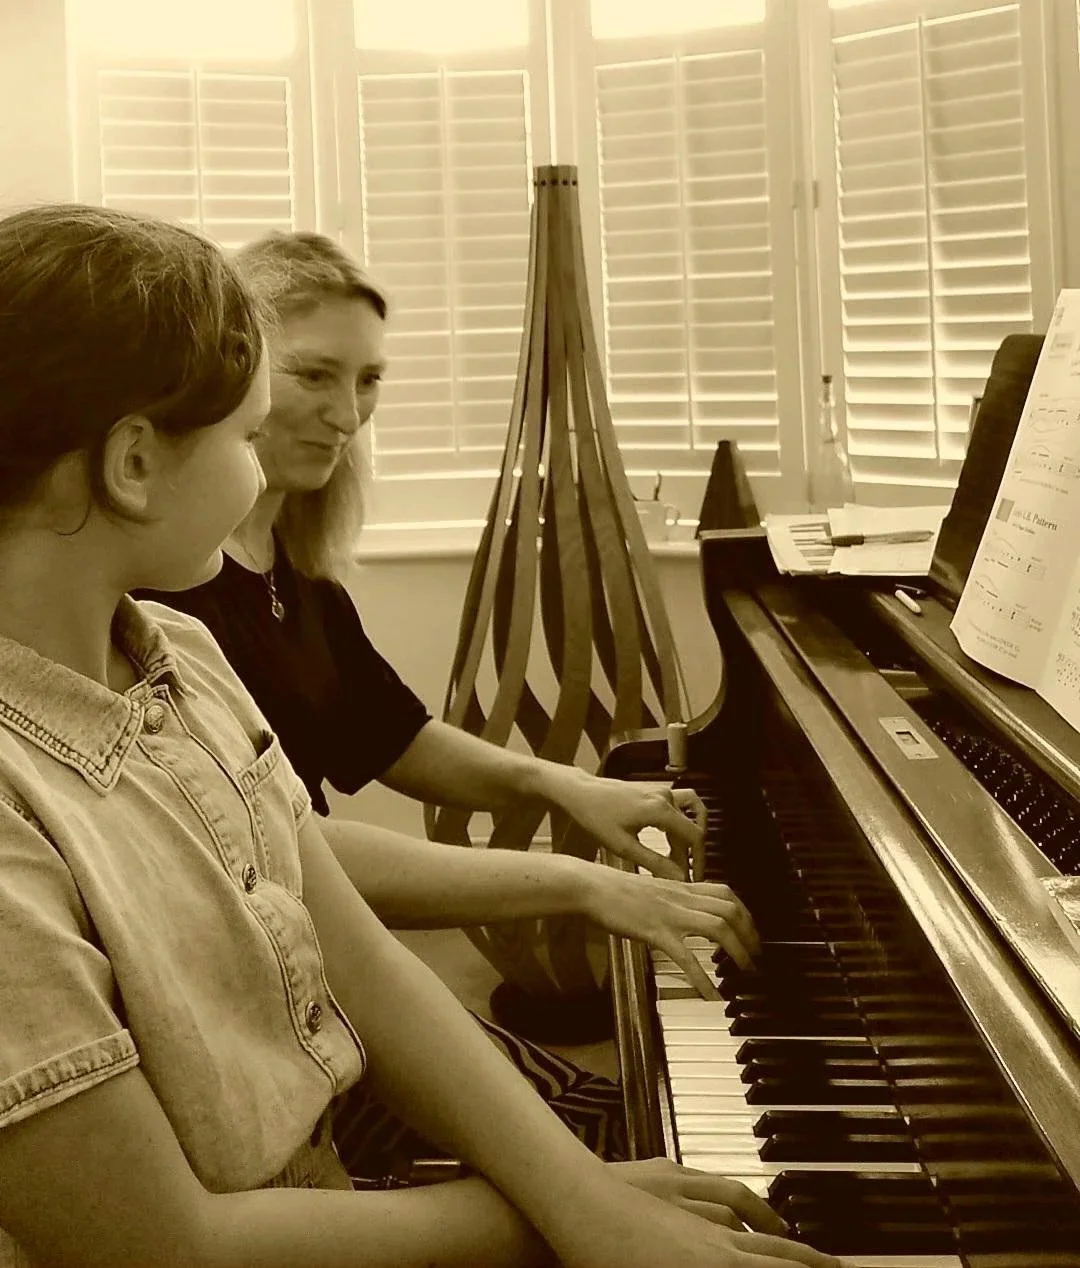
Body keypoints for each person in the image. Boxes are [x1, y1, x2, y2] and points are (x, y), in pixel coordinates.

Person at [0, 202, 838, 1268]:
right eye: (247, 435)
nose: (307, 442)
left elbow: (360, 958)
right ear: (133, 466)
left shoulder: (182, 655)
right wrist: (563, 1214)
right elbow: (166, 1243)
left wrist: (581, 1193)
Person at [136, 229, 759, 1169]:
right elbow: (278, 844)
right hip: (262, 993)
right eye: (314, 375)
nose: (348, 414)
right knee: (604, 1140)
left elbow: (396, 737)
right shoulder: (168, 594)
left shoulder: (297, 572)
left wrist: (564, 787)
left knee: (614, 1120)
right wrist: (581, 883)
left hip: (329, 957)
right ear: (235, 375)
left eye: (369, 381)